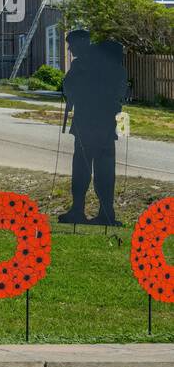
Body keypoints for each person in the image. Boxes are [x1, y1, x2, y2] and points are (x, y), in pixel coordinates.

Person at [60, 32, 128, 226]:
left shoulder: (81, 65)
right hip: (108, 125)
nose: (70, 50)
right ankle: (106, 213)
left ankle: (77, 211)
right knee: (105, 170)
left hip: (85, 124)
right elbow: (121, 93)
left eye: (71, 46)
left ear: (82, 43)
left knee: (81, 169)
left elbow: (68, 87)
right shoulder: (115, 67)